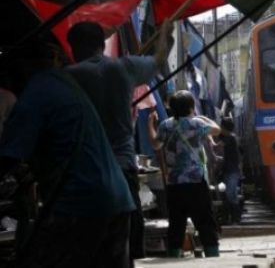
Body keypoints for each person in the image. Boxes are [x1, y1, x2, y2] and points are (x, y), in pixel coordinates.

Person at [0, 39, 134, 268]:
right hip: (117, 200)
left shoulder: (37, 92)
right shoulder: (65, 84)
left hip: (80, 203)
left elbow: (8, 157)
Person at [66, 20, 171, 263]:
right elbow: (159, 59)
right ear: (102, 44)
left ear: (73, 48)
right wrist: (165, 34)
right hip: (123, 170)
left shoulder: (67, 77)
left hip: (82, 173)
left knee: (85, 251)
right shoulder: (125, 67)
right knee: (122, 249)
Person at [147, 90, 221, 258]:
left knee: (176, 222)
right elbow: (217, 130)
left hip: (174, 183)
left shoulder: (165, 125)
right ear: (191, 107)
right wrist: (203, 118)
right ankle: (212, 253)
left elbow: (156, 145)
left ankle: (174, 254)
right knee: (205, 220)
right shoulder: (196, 124)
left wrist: (150, 124)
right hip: (196, 181)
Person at [215, 116, 242, 224]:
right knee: (228, 194)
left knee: (230, 194)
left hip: (232, 171)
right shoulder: (231, 137)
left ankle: (235, 218)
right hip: (228, 171)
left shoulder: (230, 138)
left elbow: (217, 145)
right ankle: (230, 218)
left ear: (223, 127)